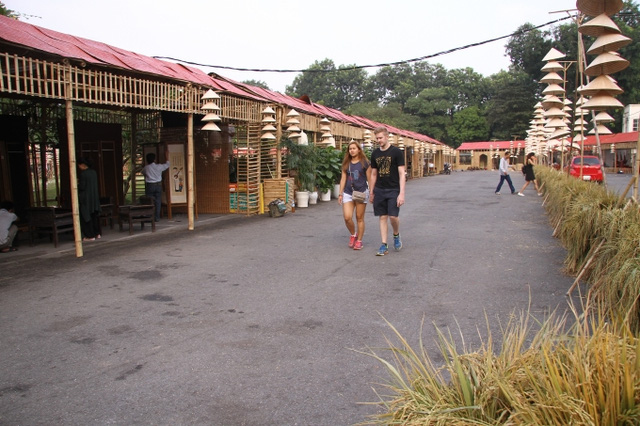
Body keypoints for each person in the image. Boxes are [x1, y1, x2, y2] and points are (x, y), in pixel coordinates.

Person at [370, 127, 406, 256]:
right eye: (377, 138)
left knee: (393, 217)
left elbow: (402, 174)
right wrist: (371, 191)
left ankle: (396, 234)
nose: (379, 140)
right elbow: (374, 174)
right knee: (383, 216)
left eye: (380, 138)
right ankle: (384, 244)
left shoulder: (396, 152)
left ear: (387, 137)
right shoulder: (375, 154)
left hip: (393, 189)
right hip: (380, 189)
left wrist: (401, 193)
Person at [338, 140, 372, 251]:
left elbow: (369, 178)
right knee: (347, 217)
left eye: (354, 148)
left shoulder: (364, 162)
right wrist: (340, 193)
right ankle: (353, 234)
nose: (352, 150)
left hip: (361, 192)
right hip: (348, 192)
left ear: (358, 149)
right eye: (350, 149)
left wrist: (372, 192)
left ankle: (359, 241)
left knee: (359, 217)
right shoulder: (346, 163)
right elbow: (343, 178)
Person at [77, 158, 102, 241]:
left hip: (86, 199)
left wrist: (77, 183)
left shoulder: (83, 174)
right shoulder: (94, 173)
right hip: (94, 198)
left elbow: (82, 187)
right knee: (94, 216)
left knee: (86, 217)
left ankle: (90, 236)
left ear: (82, 165)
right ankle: (97, 233)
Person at [142, 151, 170, 222]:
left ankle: (149, 216)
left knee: (149, 201)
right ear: (154, 159)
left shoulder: (146, 168)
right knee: (158, 201)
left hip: (150, 185)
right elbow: (167, 164)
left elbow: (143, 172)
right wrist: (167, 156)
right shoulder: (159, 166)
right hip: (158, 185)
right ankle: (157, 217)